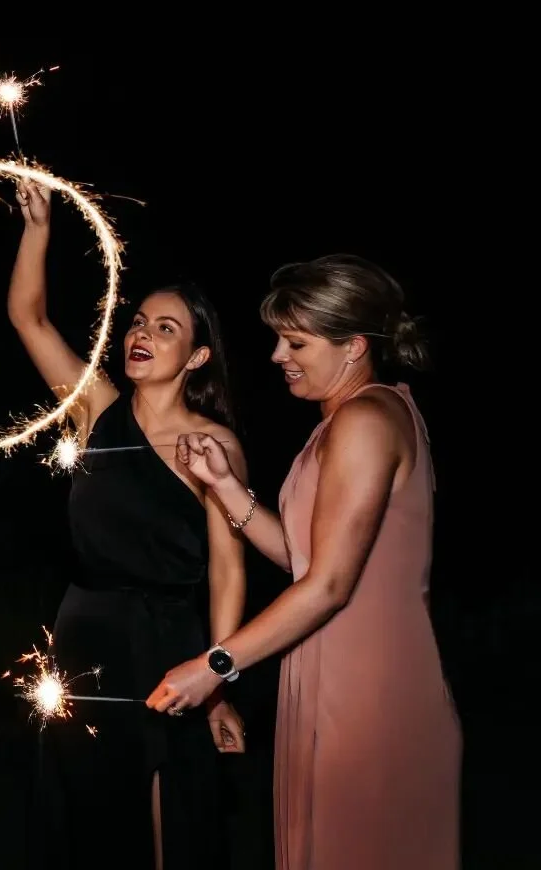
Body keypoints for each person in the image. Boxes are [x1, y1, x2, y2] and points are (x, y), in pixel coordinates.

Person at [147, 254, 460, 870]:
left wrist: (215, 667)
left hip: (369, 693)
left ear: (354, 347)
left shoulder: (366, 420)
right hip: (327, 671)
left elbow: (331, 584)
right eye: (277, 339)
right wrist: (224, 485)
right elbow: (305, 558)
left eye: (296, 341)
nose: (276, 356)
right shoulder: (344, 420)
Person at [9, 180, 247, 869]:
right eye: (138, 322)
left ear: (198, 357)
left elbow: (228, 569)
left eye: (166, 329)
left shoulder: (213, 443)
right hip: (83, 637)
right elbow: (29, 319)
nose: (141, 334)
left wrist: (219, 685)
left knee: (163, 822)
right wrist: (38, 229)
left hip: (166, 646)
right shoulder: (96, 411)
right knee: (86, 822)